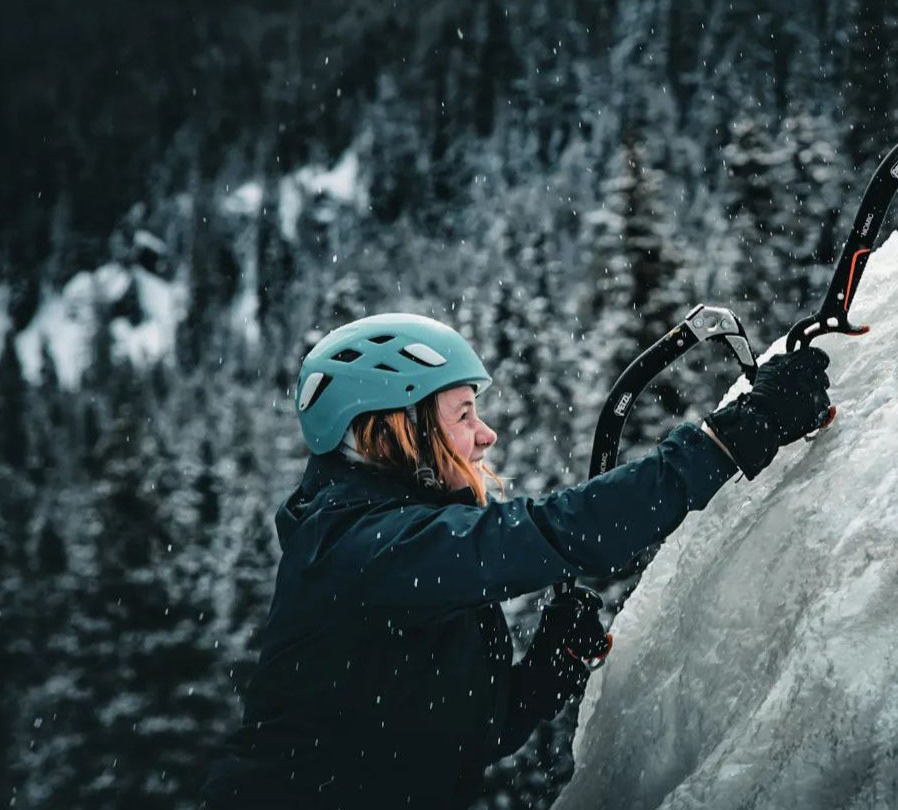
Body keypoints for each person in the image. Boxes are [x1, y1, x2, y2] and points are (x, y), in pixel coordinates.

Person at [202, 312, 831, 808]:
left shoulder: (394, 547)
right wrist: (728, 439)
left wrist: (541, 679)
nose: (486, 435)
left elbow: (452, 739)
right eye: (464, 414)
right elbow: (555, 533)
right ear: (396, 429)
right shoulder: (358, 548)